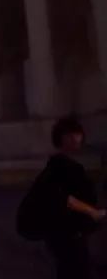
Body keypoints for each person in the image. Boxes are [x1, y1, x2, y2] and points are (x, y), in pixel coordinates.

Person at [17, 117, 105, 279]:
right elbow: (64, 198)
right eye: (74, 134)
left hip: (63, 236)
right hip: (69, 235)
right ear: (65, 138)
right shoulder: (63, 167)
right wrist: (92, 212)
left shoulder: (57, 166)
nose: (78, 138)